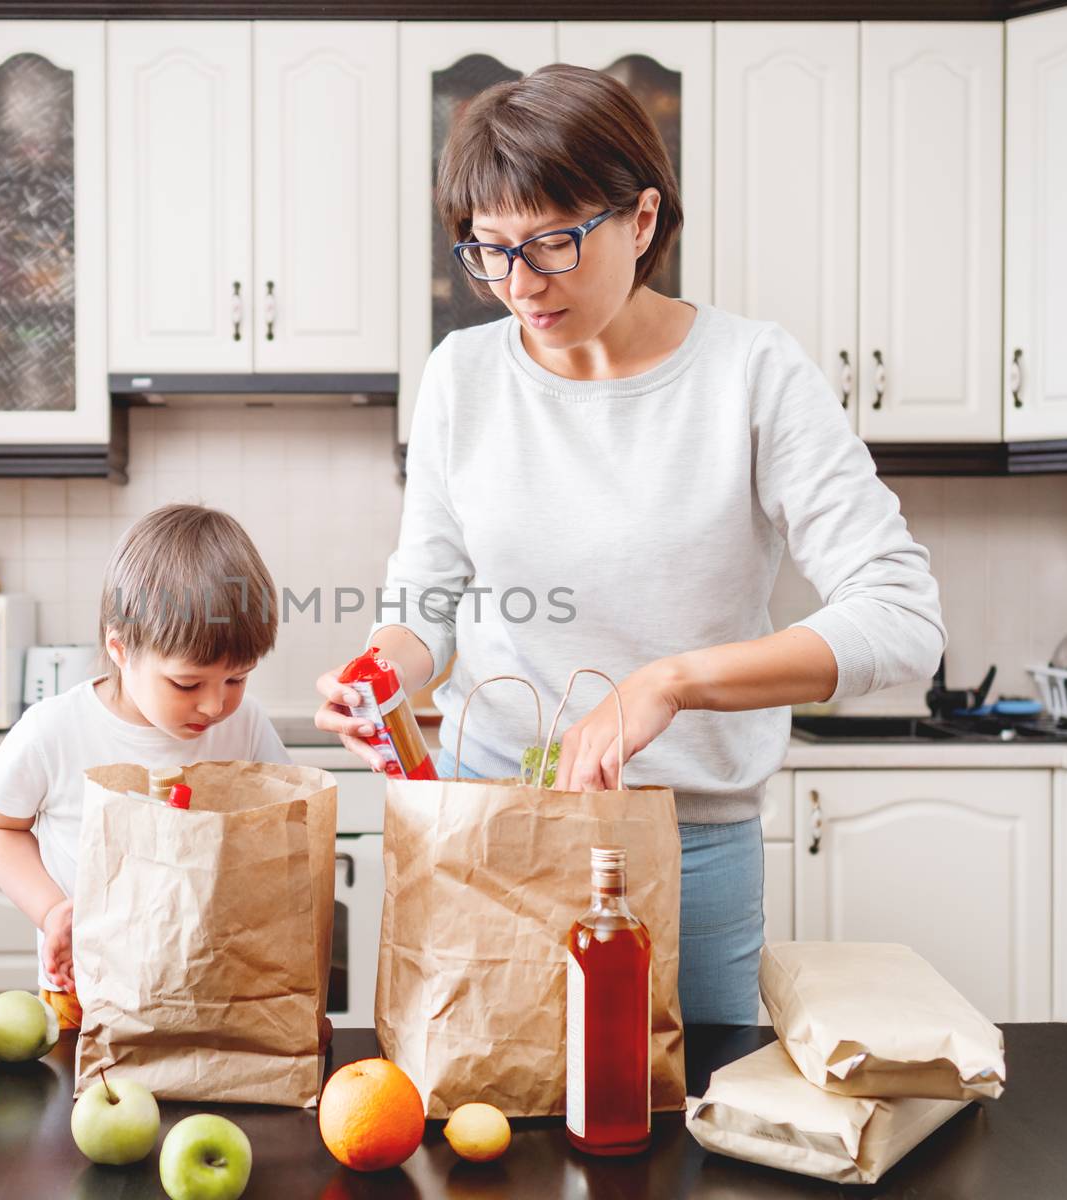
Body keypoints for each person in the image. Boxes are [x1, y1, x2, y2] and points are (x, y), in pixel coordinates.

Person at [313, 65, 945, 1024]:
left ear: (642, 220)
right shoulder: (461, 375)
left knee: (688, 1142)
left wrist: (668, 682)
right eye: (490, 252)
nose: (519, 285)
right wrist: (383, 673)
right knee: (481, 1141)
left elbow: (901, 618)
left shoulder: (751, 373)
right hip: (492, 834)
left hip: (685, 850)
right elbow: (428, 602)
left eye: (553, 244)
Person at [0, 503, 289, 1029]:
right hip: (88, 995)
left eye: (237, 679)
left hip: (214, 987)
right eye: (187, 684)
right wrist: (53, 910)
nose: (214, 706)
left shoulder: (247, 725)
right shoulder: (53, 730)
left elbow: (284, 829)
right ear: (119, 649)